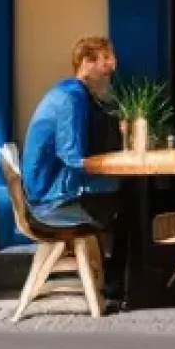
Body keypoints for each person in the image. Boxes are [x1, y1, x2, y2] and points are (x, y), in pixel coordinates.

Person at [22, 36, 127, 301]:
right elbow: (70, 156)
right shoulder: (72, 98)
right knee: (129, 208)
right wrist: (106, 166)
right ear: (86, 63)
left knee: (126, 198)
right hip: (53, 200)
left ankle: (117, 281)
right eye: (106, 60)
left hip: (50, 191)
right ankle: (119, 285)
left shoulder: (72, 92)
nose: (112, 67)